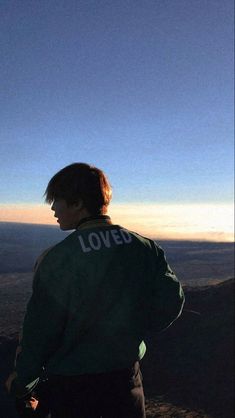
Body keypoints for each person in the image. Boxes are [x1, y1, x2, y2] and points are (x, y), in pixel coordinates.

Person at [5, 162, 185, 418]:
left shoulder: (58, 259)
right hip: (126, 381)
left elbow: (40, 330)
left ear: (77, 203)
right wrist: (130, 332)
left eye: (56, 200)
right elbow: (171, 302)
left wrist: (23, 382)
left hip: (71, 388)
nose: (53, 209)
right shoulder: (144, 248)